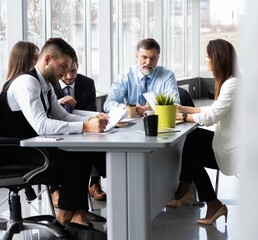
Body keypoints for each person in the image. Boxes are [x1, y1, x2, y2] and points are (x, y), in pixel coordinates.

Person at [0, 38, 108, 236]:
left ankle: (76, 213)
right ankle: (65, 216)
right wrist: (85, 126)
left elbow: (62, 115)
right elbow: (42, 125)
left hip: (31, 148)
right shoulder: (27, 83)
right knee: (77, 158)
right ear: (48, 59)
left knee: (82, 153)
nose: (66, 73)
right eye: (63, 66)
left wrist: (95, 117)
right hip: (15, 153)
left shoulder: (46, 85)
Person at [166, 39, 238, 225]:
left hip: (235, 150)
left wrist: (182, 118)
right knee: (193, 143)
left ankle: (187, 190)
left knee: (193, 144)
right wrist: (184, 109)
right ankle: (190, 191)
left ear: (217, 59)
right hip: (232, 143)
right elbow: (214, 108)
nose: (206, 60)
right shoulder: (233, 81)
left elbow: (210, 117)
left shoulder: (232, 84)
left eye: (208, 57)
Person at [51, 57, 107, 204]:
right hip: (56, 130)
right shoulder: (50, 83)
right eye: (66, 72)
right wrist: (57, 105)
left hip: (83, 128)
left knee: (97, 143)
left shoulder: (87, 83)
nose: (69, 76)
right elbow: (45, 113)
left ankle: (94, 183)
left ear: (78, 66)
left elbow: (91, 112)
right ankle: (55, 189)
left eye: (73, 71)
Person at [103, 38, 180, 115]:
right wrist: (127, 108)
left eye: (153, 58)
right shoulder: (126, 75)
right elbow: (108, 104)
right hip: (131, 121)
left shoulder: (168, 76)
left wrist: (154, 109)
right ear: (137, 56)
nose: (148, 62)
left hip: (158, 121)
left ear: (158, 58)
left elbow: (176, 105)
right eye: (144, 57)